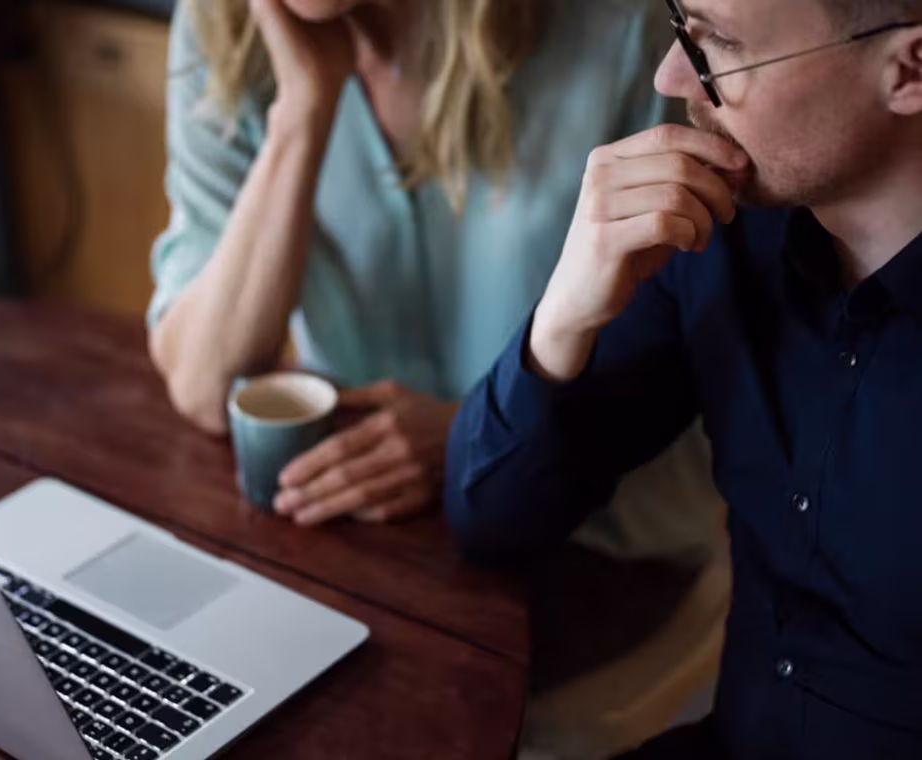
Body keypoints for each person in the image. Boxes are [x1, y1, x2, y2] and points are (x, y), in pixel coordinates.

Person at [445, 0, 922, 755]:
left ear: (911, 68)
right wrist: (565, 315)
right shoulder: (721, 234)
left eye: (718, 45)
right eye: (680, 28)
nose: (672, 79)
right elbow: (489, 518)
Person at [146, 0, 719, 562]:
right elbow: (205, 387)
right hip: (371, 540)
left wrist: (473, 435)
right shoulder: (224, 24)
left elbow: (697, 367)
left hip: (596, 553)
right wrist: (302, 110)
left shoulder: (625, 29)